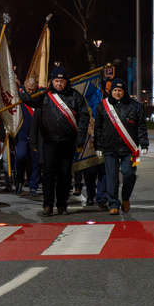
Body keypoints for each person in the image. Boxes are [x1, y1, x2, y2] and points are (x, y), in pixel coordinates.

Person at [22, 65, 90, 216]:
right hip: (49, 142)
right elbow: (30, 101)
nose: (59, 84)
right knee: (48, 174)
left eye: (62, 81)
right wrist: (23, 94)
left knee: (65, 174)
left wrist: (81, 137)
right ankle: (47, 205)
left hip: (68, 141)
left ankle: (62, 205)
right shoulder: (44, 94)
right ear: (52, 81)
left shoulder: (75, 96)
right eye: (56, 81)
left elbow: (84, 116)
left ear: (67, 82)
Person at [94, 77, 149, 214]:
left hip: (130, 149)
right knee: (111, 177)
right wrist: (98, 146)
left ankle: (125, 197)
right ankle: (113, 204)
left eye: (120, 90)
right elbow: (98, 128)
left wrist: (144, 143)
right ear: (111, 91)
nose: (117, 93)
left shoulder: (135, 106)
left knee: (129, 174)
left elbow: (141, 126)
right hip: (109, 147)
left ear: (124, 91)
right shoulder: (102, 106)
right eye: (115, 90)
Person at [15, 77, 41, 196]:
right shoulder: (18, 95)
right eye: (29, 89)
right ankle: (19, 180)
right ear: (24, 84)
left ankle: (33, 186)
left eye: (33, 89)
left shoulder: (40, 95)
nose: (31, 91)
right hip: (22, 133)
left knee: (36, 162)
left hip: (36, 134)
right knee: (20, 157)